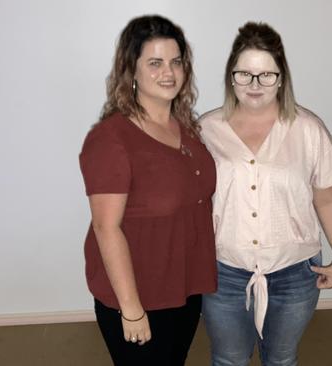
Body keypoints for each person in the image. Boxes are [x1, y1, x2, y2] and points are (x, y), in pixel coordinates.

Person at [199, 22, 332, 366]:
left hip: (295, 273)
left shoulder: (308, 129)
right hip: (224, 271)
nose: (255, 85)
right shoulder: (206, 130)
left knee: (281, 359)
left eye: (266, 75)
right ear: (231, 77)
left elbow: (326, 197)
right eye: (244, 74)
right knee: (228, 359)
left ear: (282, 78)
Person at [78, 15, 217, 365]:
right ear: (132, 71)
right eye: (154, 63)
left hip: (183, 285)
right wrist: (132, 309)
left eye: (176, 61)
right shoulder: (111, 139)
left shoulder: (185, 127)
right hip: (138, 293)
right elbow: (105, 228)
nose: (168, 72)